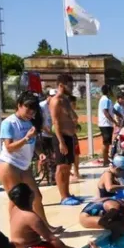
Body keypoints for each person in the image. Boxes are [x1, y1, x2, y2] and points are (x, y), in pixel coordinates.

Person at [0, 91, 63, 232]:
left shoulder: (30, 122)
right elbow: (9, 148)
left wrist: (40, 153)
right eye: (28, 109)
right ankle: (16, 231)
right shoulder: (9, 123)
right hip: (9, 165)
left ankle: (44, 227)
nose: (31, 113)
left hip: (24, 166)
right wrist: (26, 138)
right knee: (16, 200)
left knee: (36, 196)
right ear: (19, 105)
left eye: (33, 110)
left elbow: (34, 143)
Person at [7, 183, 82, 248]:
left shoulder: (14, 209)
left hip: (22, 245)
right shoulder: (31, 217)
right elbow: (51, 239)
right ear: (31, 196)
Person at [50, 74, 81, 206]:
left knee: (67, 167)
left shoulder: (65, 100)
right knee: (61, 167)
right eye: (70, 85)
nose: (72, 88)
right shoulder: (56, 101)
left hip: (69, 136)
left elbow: (72, 116)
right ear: (61, 85)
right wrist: (61, 142)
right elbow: (56, 122)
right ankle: (63, 197)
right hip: (61, 137)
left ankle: (67, 194)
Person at [98, 84, 118, 168]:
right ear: (108, 91)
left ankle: (106, 159)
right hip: (105, 124)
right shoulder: (105, 100)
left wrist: (119, 115)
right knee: (106, 143)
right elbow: (105, 112)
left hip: (108, 124)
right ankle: (105, 161)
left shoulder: (108, 100)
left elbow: (113, 110)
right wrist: (114, 121)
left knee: (107, 143)